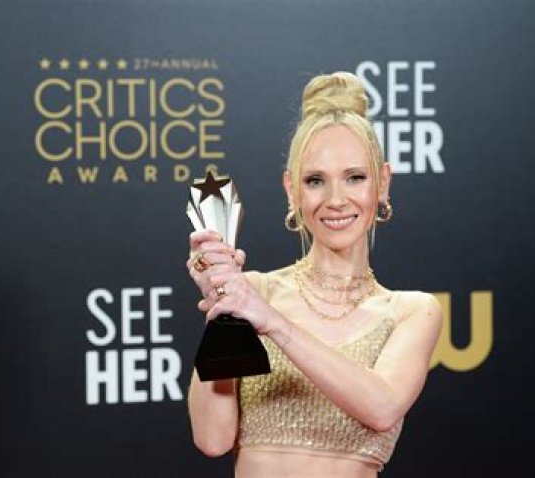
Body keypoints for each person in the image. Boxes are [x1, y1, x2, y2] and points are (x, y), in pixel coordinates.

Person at [186, 71, 442, 478]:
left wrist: (272, 323)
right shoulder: (255, 292)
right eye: (315, 181)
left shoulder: (411, 311)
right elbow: (212, 438)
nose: (336, 199)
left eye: (355, 177)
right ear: (292, 190)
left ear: (382, 183)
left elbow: (382, 408)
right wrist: (221, 309)